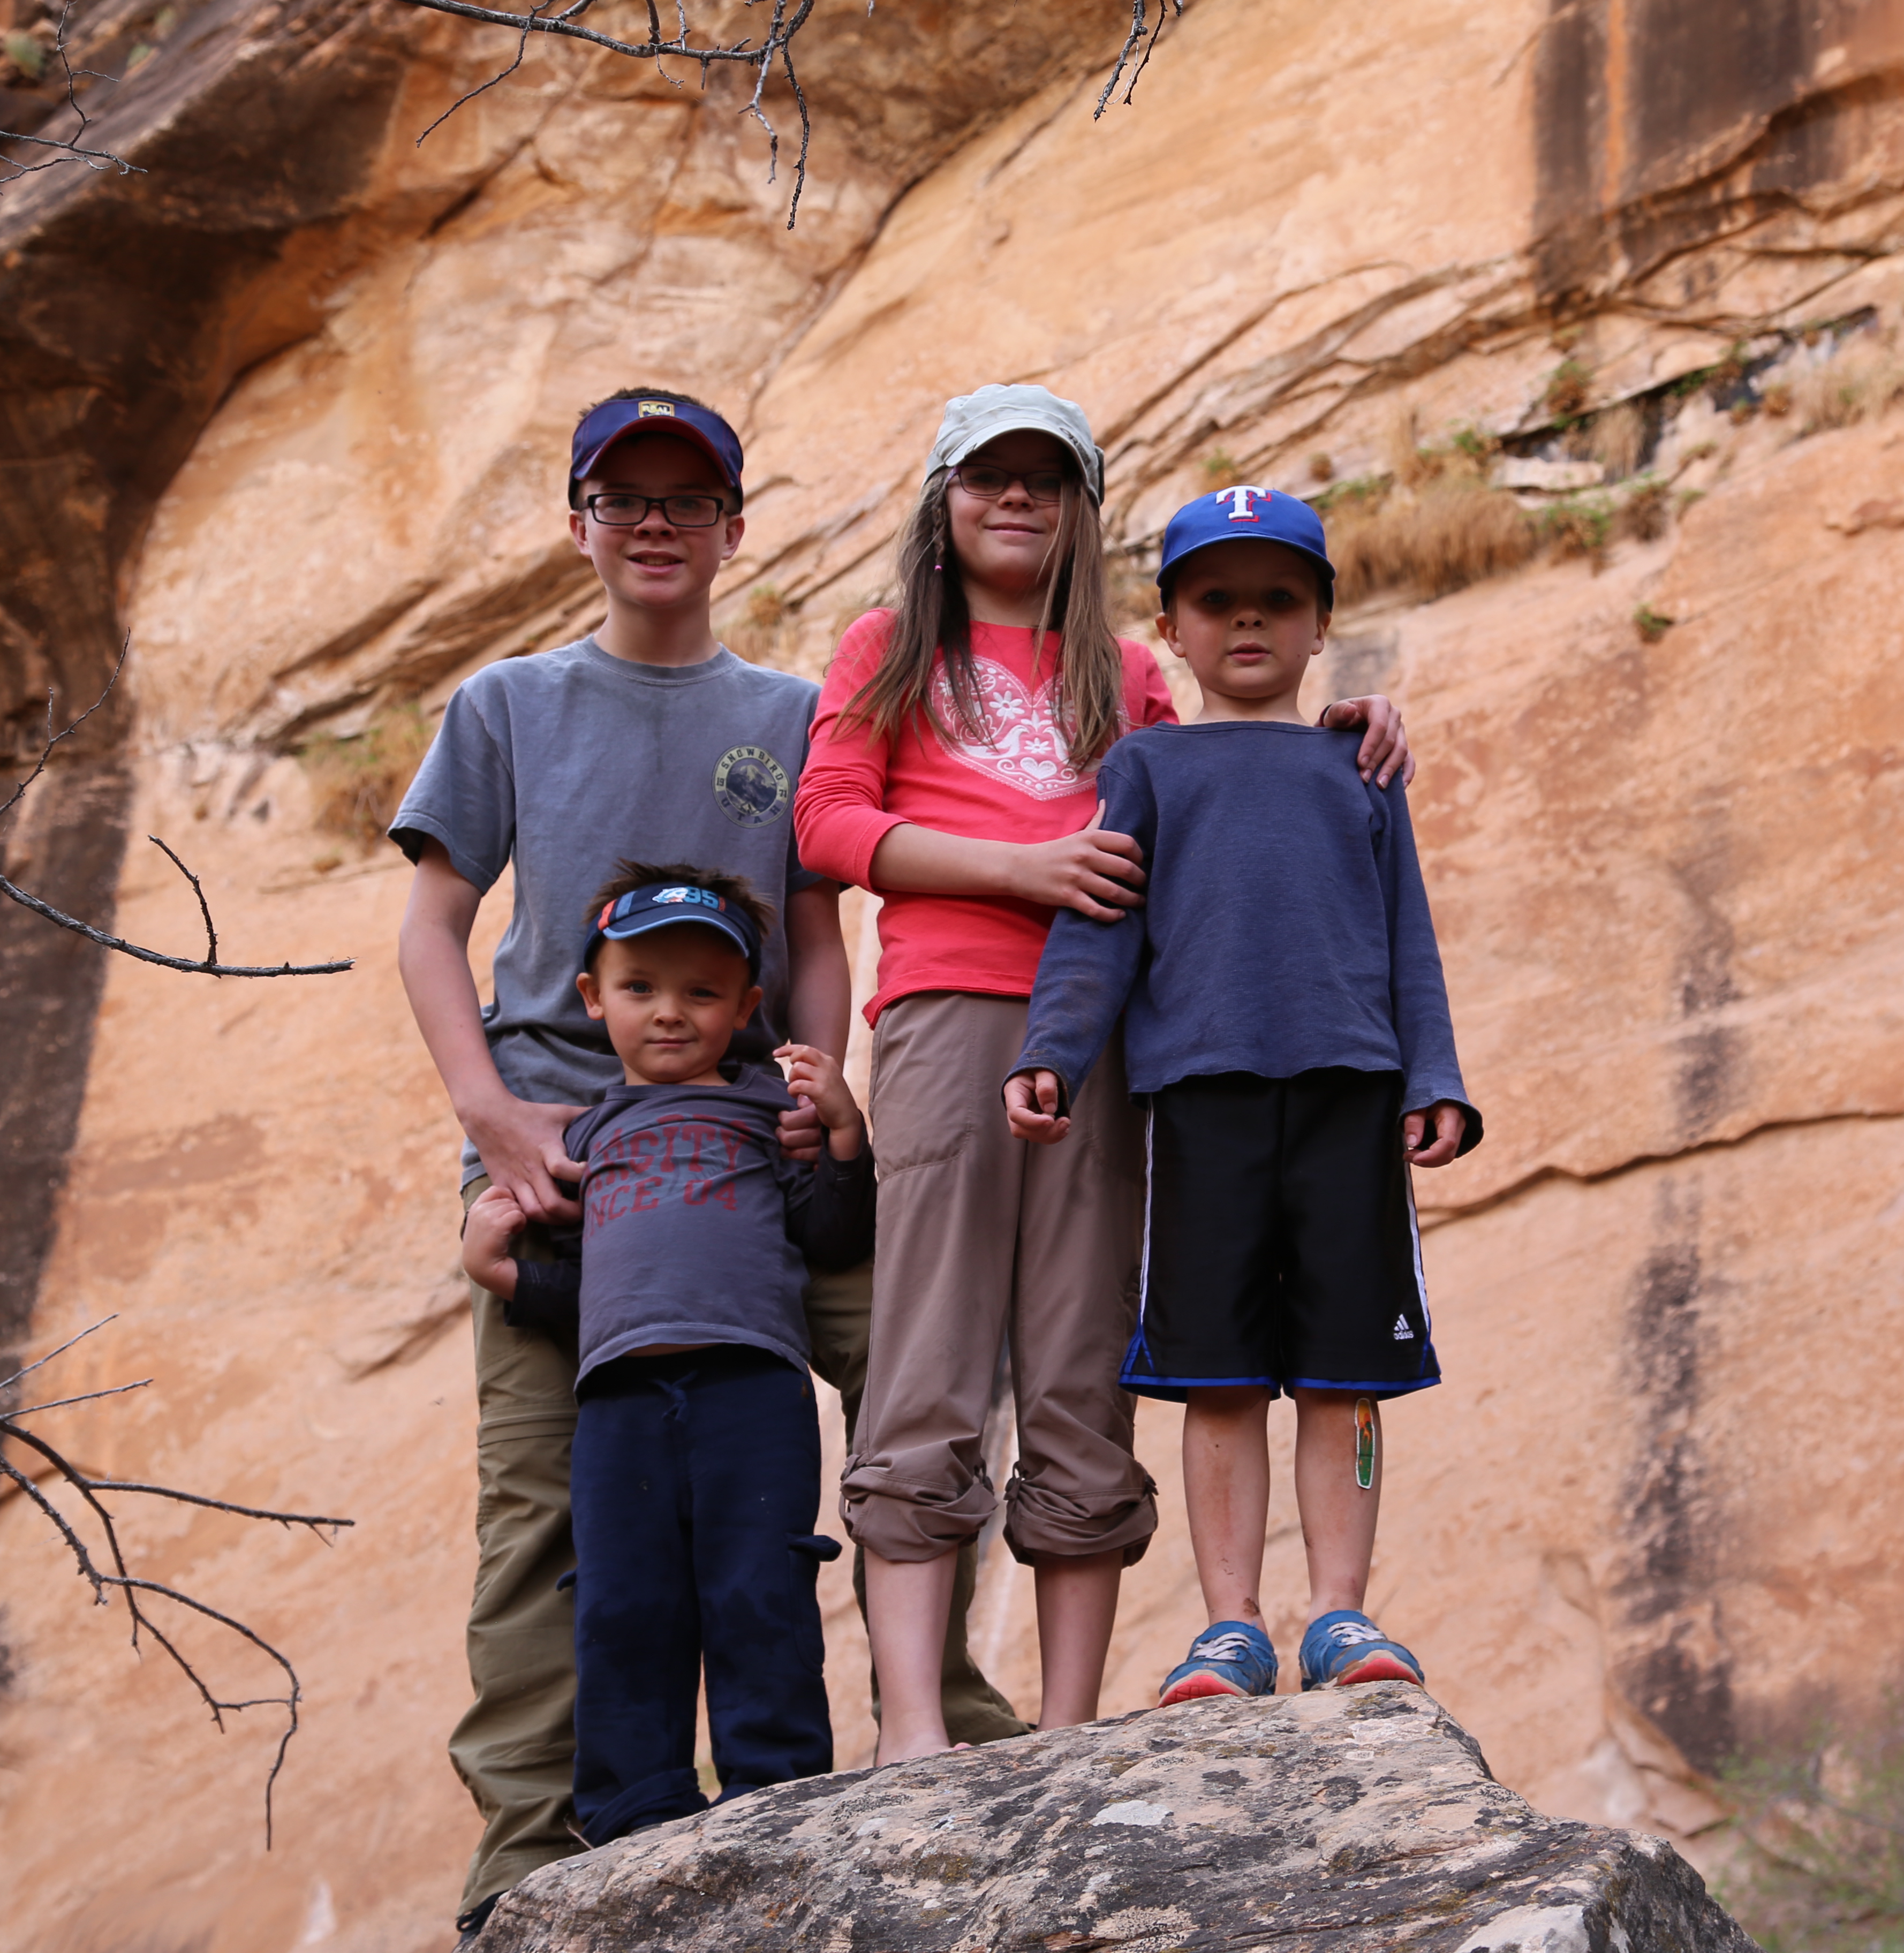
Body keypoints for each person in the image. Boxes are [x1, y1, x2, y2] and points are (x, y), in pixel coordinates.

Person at [390, 388, 1017, 1948]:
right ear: (583, 523)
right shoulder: (508, 703)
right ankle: (536, 1852)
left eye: (688, 498)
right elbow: (429, 926)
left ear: (736, 527)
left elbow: (815, 933)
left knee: (914, 1385)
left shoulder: (790, 711)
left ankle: (944, 1714)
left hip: (766, 1143)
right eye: (626, 495)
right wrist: (490, 1126)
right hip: (573, 1158)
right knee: (545, 1500)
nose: (656, 522)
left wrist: (830, 1094)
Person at [794, 384, 1415, 1763]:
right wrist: (1021, 869)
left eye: (1046, 481)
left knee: (1084, 1356)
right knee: (932, 1345)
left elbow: (1226, 758)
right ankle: (909, 1726)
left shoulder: (1130, 671)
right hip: (953, 1007)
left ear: (1083, 512)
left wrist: (1348, 728)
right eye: (986, 479)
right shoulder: (891, 647)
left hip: (1123, 1037)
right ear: (941, 505)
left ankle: (1065, 1732)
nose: (1015, 500)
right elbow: (832, 821)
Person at [1003, 484, 1480, 1706]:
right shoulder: (1148, 767)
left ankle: (1339, 1613)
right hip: (1200, 1101)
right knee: (1217, 1371)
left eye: (1281, 600)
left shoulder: (1361, 765)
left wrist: (1434, 1074)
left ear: (1324, 623)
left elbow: (1406, 934)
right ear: (1172, 625)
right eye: (1219, 600)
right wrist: (1052, 1048)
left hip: (1350, 1095)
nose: (1250, 623)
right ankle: (1231, 1626)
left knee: (1345, 1373)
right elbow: (1098, 930)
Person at [459, 865, 863, 1844]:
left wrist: (845, 1133)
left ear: (747, 1007)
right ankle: (634, 1808)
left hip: (753, 1388)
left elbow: (836, 1239)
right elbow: (590, 1290)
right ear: (594, 999)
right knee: (621, 1597)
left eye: (703, 992)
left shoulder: (773, 1113)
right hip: (621, 1401)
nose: (671, 1014)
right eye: (640, 988)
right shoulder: (579, 1137)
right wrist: (506, 1276)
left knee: (758, 1586)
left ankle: (775, 1788)